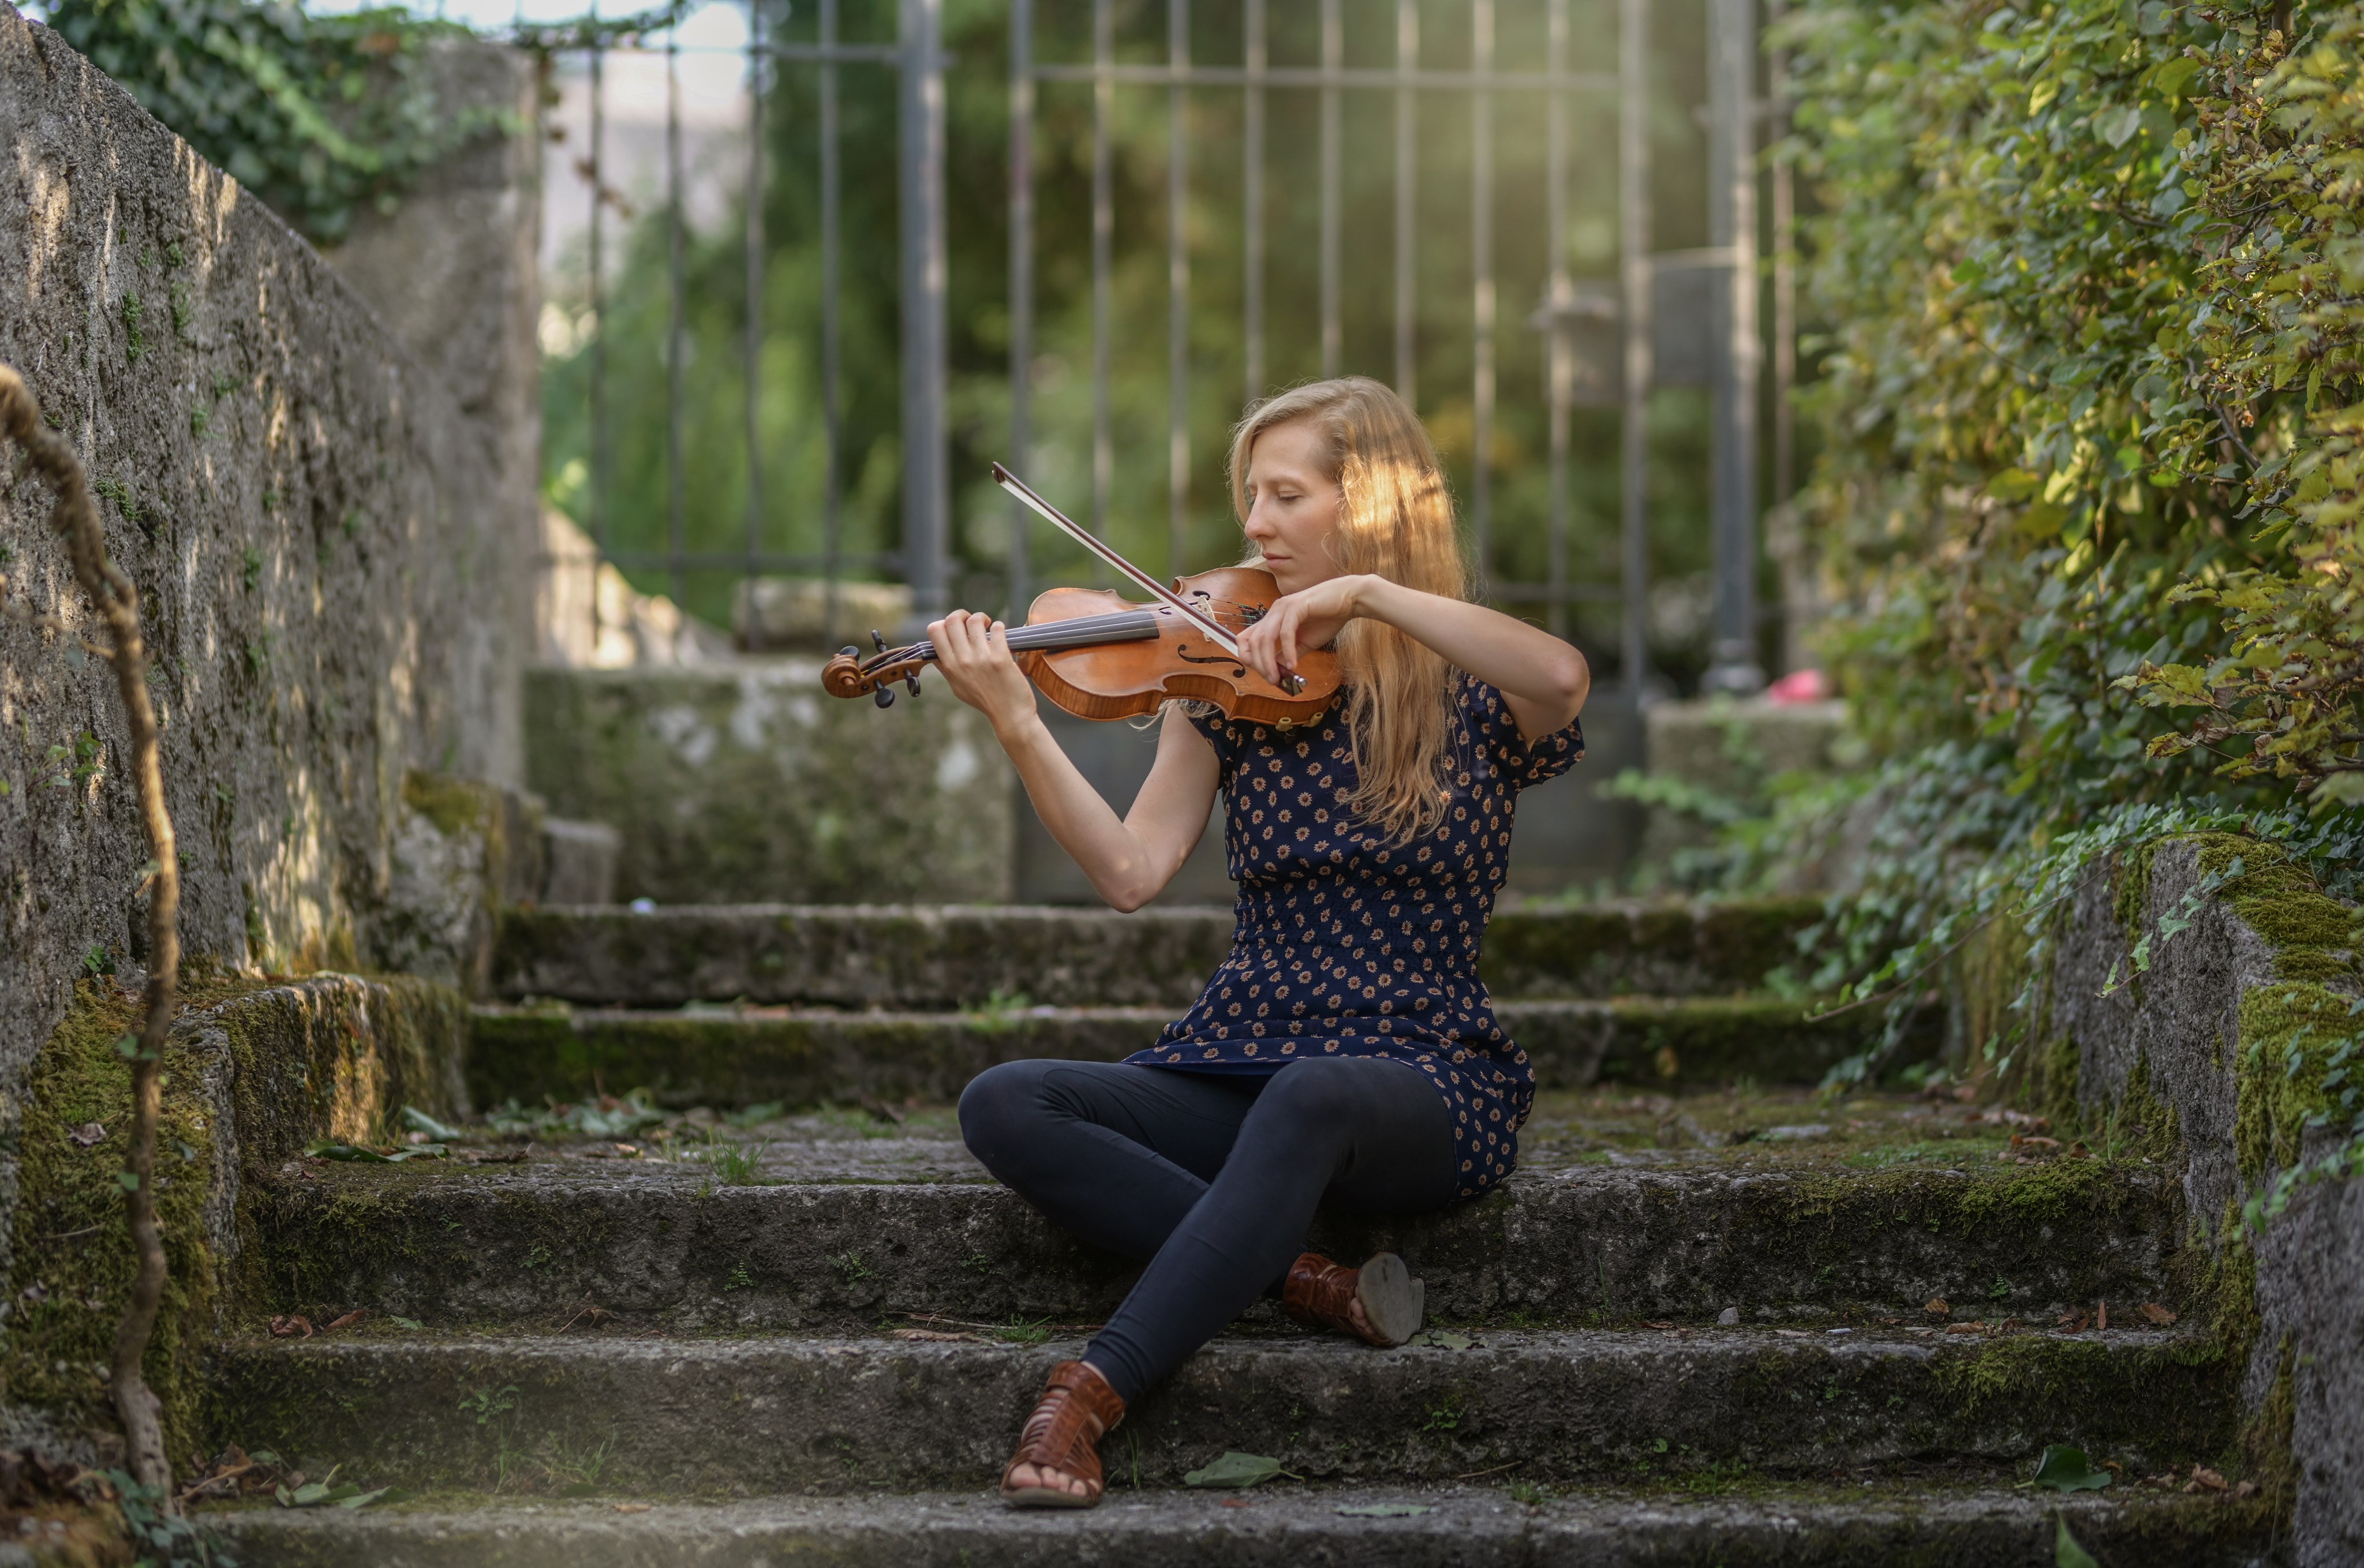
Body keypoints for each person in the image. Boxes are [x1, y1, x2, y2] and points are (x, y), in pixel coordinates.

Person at [929, 376, 1590, 1509]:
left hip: (1421, 1075)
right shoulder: (1228, 683)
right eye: (1252, 496)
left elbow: (1563, 678)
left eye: (1285, 496)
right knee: (1005, 1099)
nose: (1255, 525)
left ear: (1366, 505)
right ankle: (1302, 1279)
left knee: (1313, 1096)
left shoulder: (1475, 690)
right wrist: (1020, 724)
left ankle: (1088, 1393)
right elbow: (1131, 872)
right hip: (1246, 1054)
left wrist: (1374, 596)